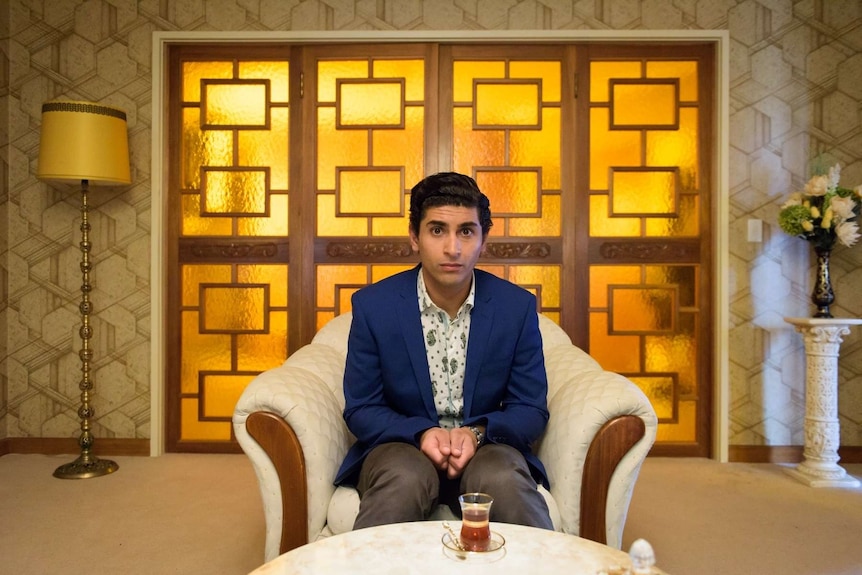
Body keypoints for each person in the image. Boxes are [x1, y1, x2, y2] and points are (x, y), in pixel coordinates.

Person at [334, 171, 554, 531]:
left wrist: (476, 434)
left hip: (486, 448)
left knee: (505, 481)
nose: (453, 248)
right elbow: (361, 407)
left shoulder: (516, 308)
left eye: (466, 231)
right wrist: (422, 433)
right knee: (403, 480)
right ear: (414, 237)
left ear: (484, 238)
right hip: (401, 446)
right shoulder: (375, 306)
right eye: (437, 230)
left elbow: (530, 408)